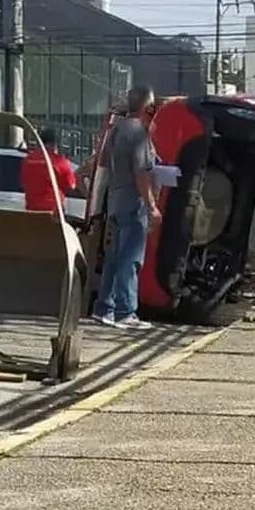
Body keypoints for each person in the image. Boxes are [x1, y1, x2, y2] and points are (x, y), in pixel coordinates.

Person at [91, 85, 161, 330]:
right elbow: (141, 172)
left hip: (116, 198)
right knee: (131, 258)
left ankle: (104, 307)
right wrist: (152, 206)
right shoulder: (139, 133)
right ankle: (125, 312)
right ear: (148, 107)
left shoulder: (117, 129)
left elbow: (101, 163)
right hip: (134, 200)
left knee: (114, 256)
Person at [20, 128, 77, 212]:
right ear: (54, 144)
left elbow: (23, 182)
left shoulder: (27, 161)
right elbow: (71, 186)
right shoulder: (60, 161)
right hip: (52, 212)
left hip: (31, 210)